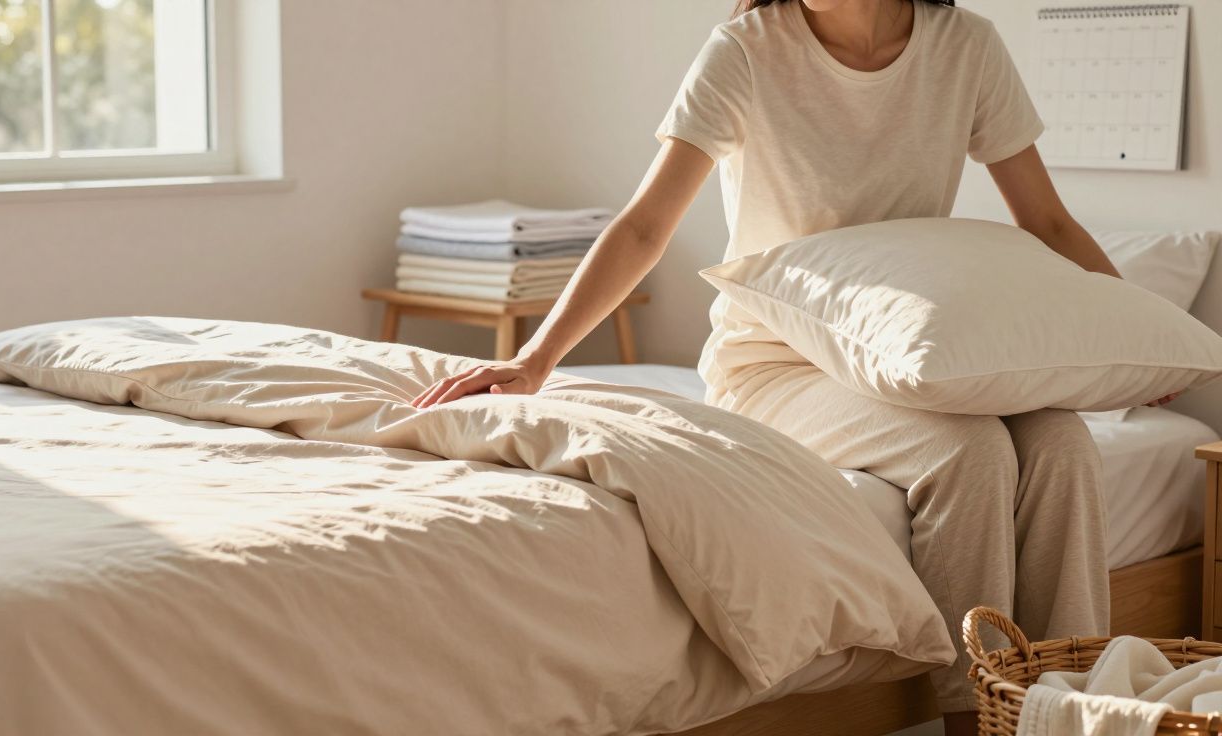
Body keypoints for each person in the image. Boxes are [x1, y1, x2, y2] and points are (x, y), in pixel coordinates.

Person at [412, 1, 1175, 732]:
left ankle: (1067, 713)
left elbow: (1044, 220)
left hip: (907, 358)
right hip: (774, 366)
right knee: (968, 452)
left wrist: (1152, 339)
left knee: (1064, 443)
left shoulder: (965, 47)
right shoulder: (744, 50)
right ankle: (972, 718)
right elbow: (646, 224)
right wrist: (535, 358)